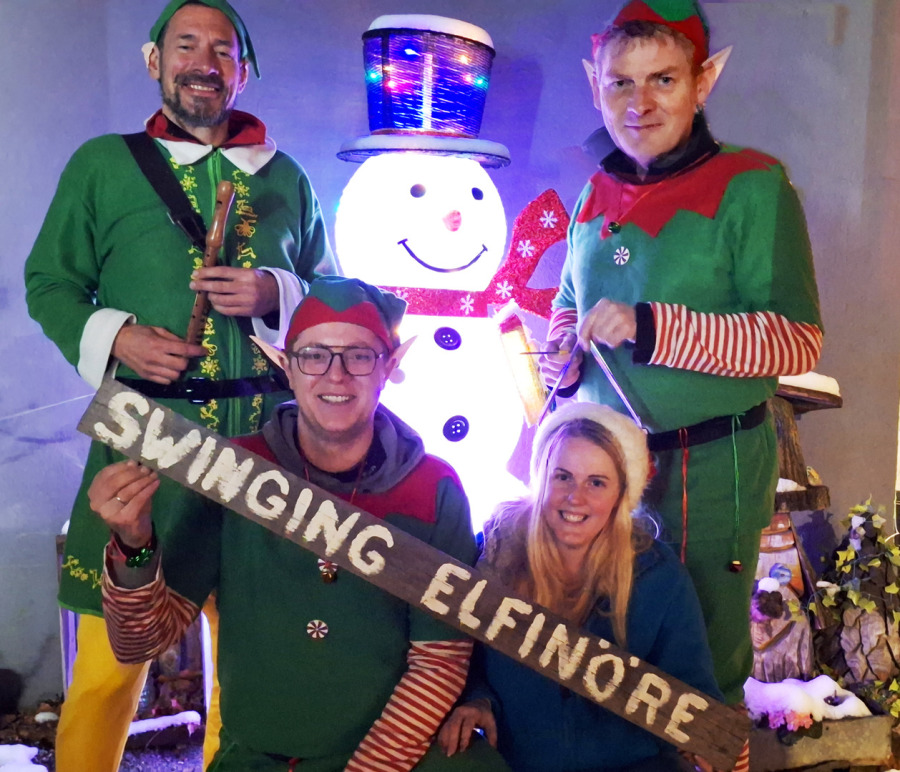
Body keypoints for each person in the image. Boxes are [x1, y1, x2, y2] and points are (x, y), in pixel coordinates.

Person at [23, 1, 334, 770]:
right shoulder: (102, 166)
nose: (204, 62)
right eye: (186, 44)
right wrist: (119, 337)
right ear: (154, 60)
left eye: (223, 49)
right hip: (145, 439)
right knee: (108, 666)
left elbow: (336, 296)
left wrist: (275, 293)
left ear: (243, 70)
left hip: (265, 442)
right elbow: (50, 283)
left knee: (252, 666)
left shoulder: (287, 176)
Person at [90, 276, 509, 772]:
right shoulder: (232, 472)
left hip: (394, 757)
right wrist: (133, 542)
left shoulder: (432, 489)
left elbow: (439, 661)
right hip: (257, 759)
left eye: (359, 356)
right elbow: (141, 642)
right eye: (314, 355)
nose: (336, 375)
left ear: (389, 367)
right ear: (286, 367)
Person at [539, 0, 823, 712]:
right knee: (602, 658)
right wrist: (562, 352)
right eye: (620, 83)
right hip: (604, 474)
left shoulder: (755, 184)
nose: (639, 104)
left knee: (703, 672)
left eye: (663, 80)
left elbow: (796, 339)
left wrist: (650, 326)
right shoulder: (593, 191)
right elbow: (569, 301)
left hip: (711, 471)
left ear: (703, 82)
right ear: (595, 85)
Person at [438, 401, 722, 771]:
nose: (576, 497)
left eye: (596, 482)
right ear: (541, 477)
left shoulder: (659, 576)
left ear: (621, 494)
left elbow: (694, 688)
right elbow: (460, 660)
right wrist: (478, 699)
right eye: (563, 477)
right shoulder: (493, 556)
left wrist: (704, 738)